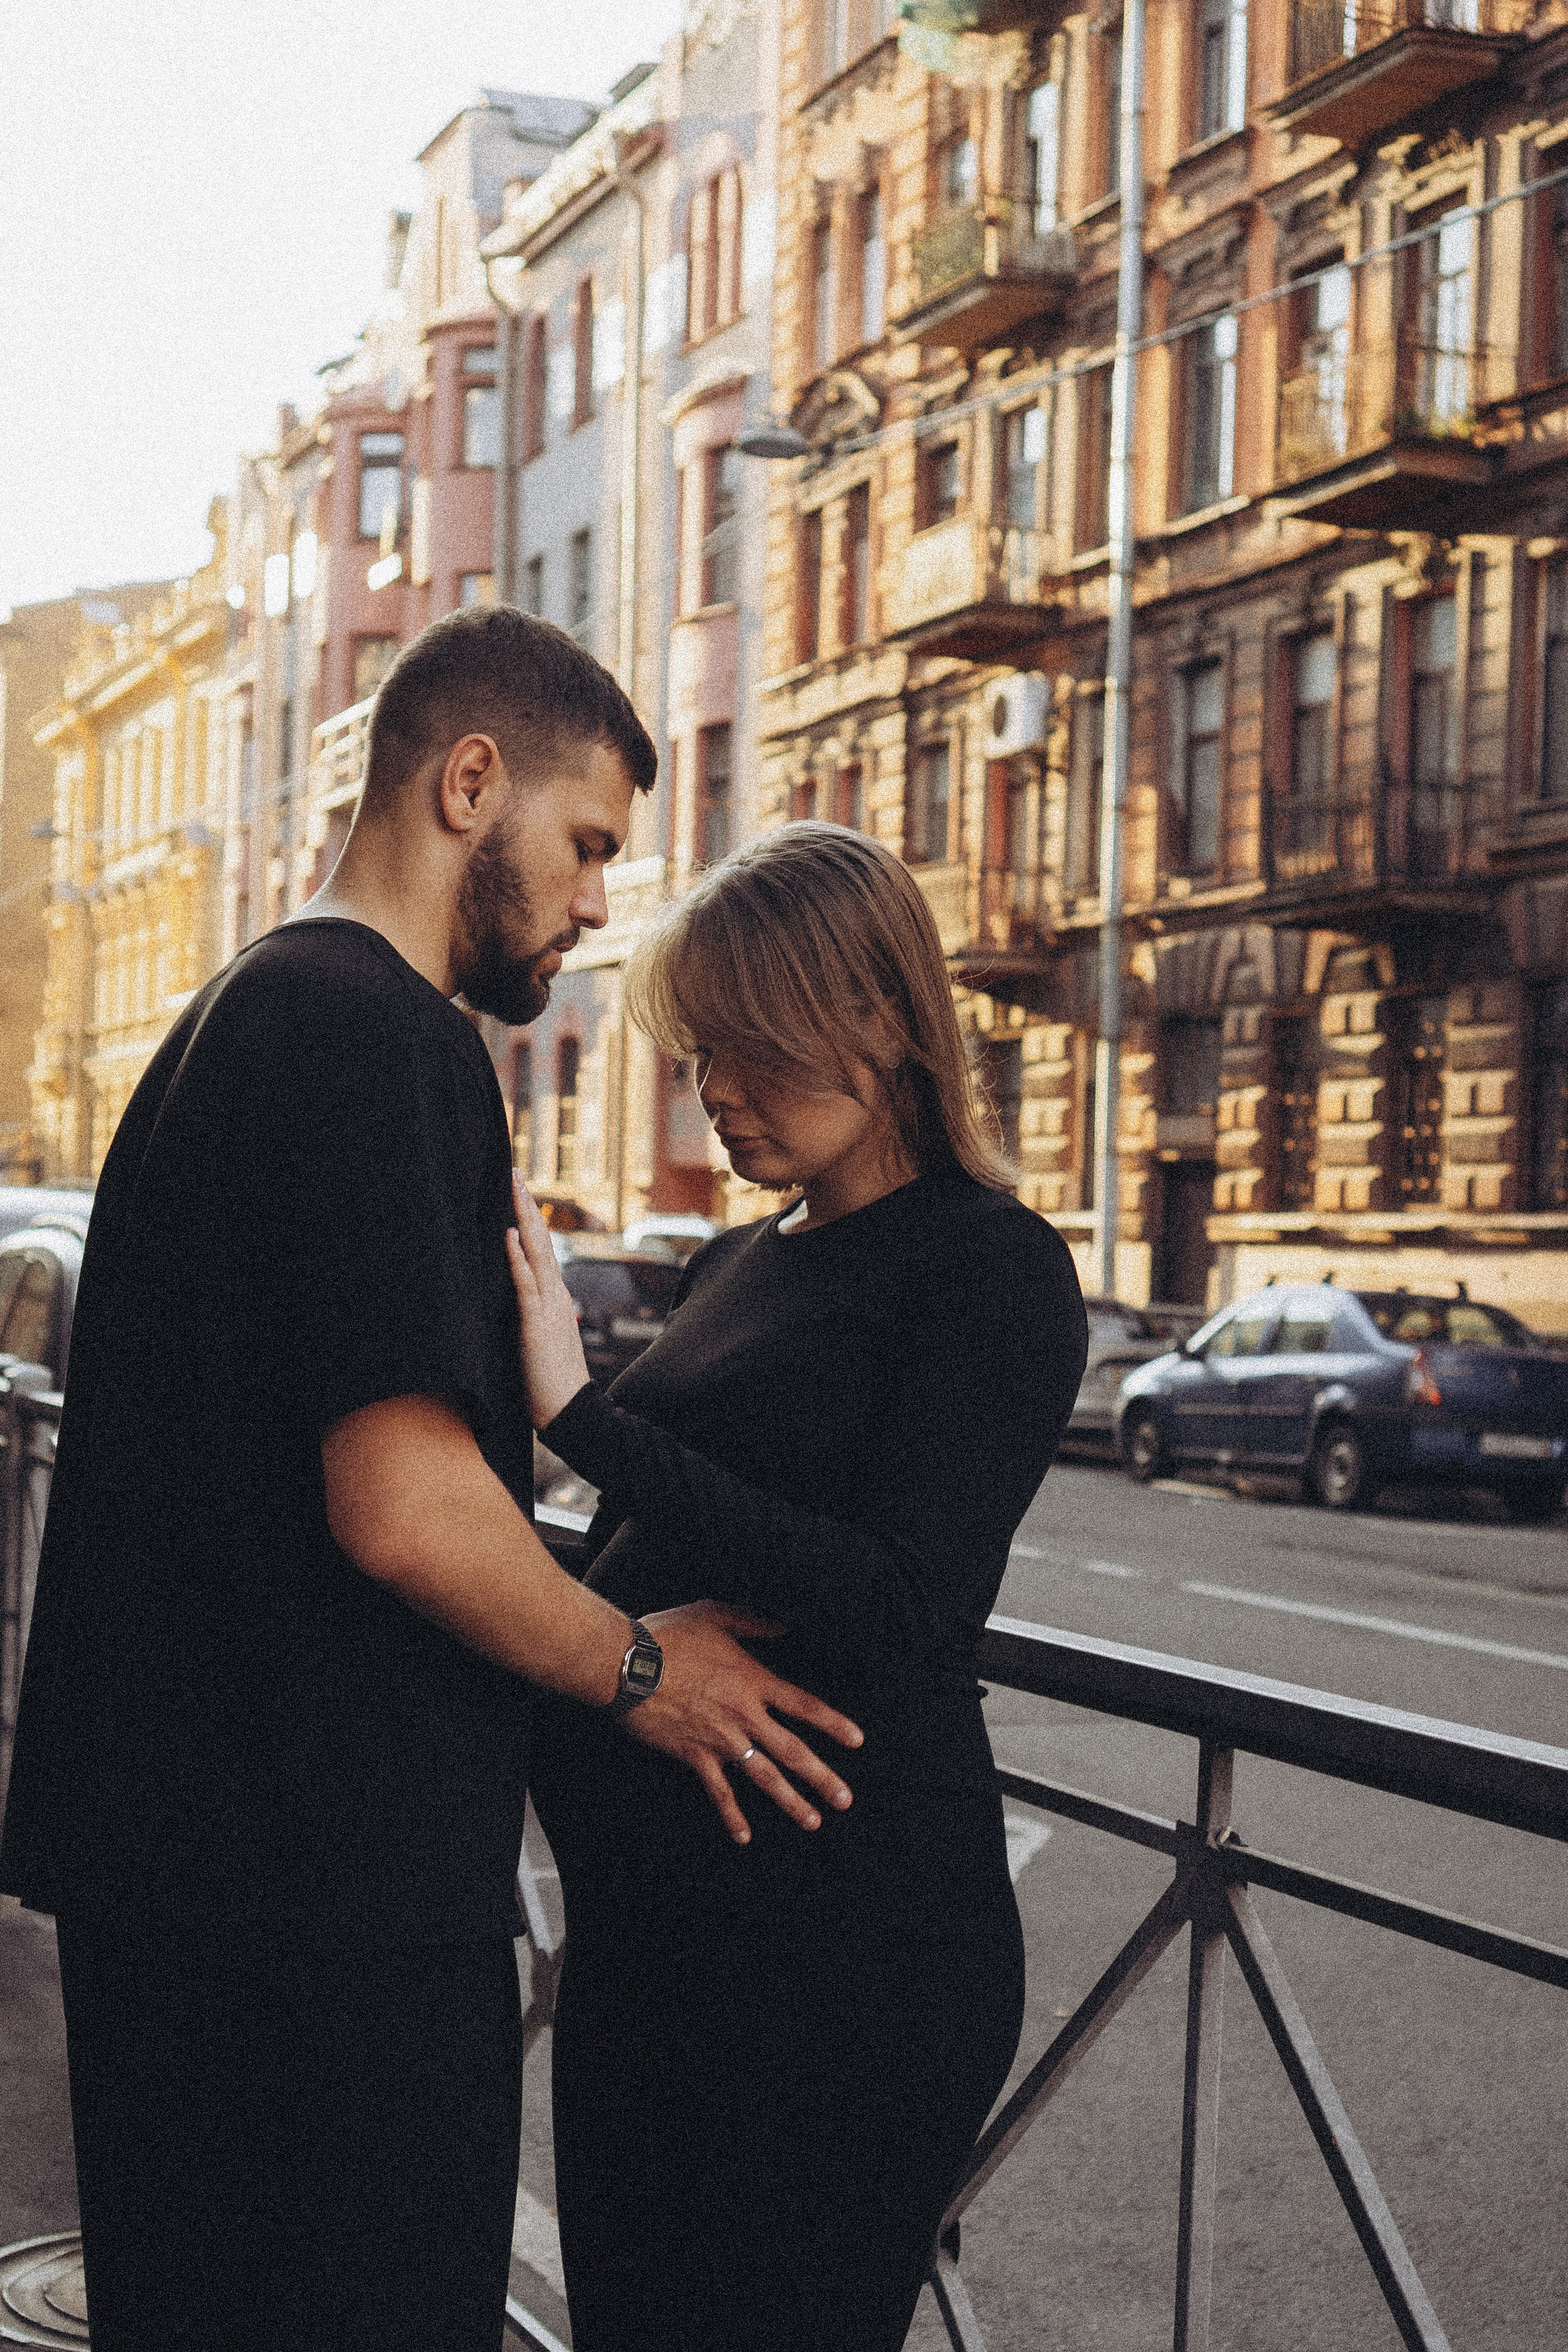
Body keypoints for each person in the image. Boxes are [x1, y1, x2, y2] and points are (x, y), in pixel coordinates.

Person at [0, 610, 859, 2352]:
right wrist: (648, 1671)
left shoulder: (240, 1010)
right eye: (587, 844)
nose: (599, 900)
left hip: (196, 1888)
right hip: (321, 1916)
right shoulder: (377, 1037)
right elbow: (403, 1504)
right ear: (471, 783)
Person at [505, 822, 1090, 2352]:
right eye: (700, 1052)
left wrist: (584, 1421)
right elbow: (644, 1559)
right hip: (654, 1948)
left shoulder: (988, 1267)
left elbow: (903, 1602)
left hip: (841, 1962)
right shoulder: (737, 1261)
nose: (718, 1089)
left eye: (752, 1048)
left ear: (881, 1018)